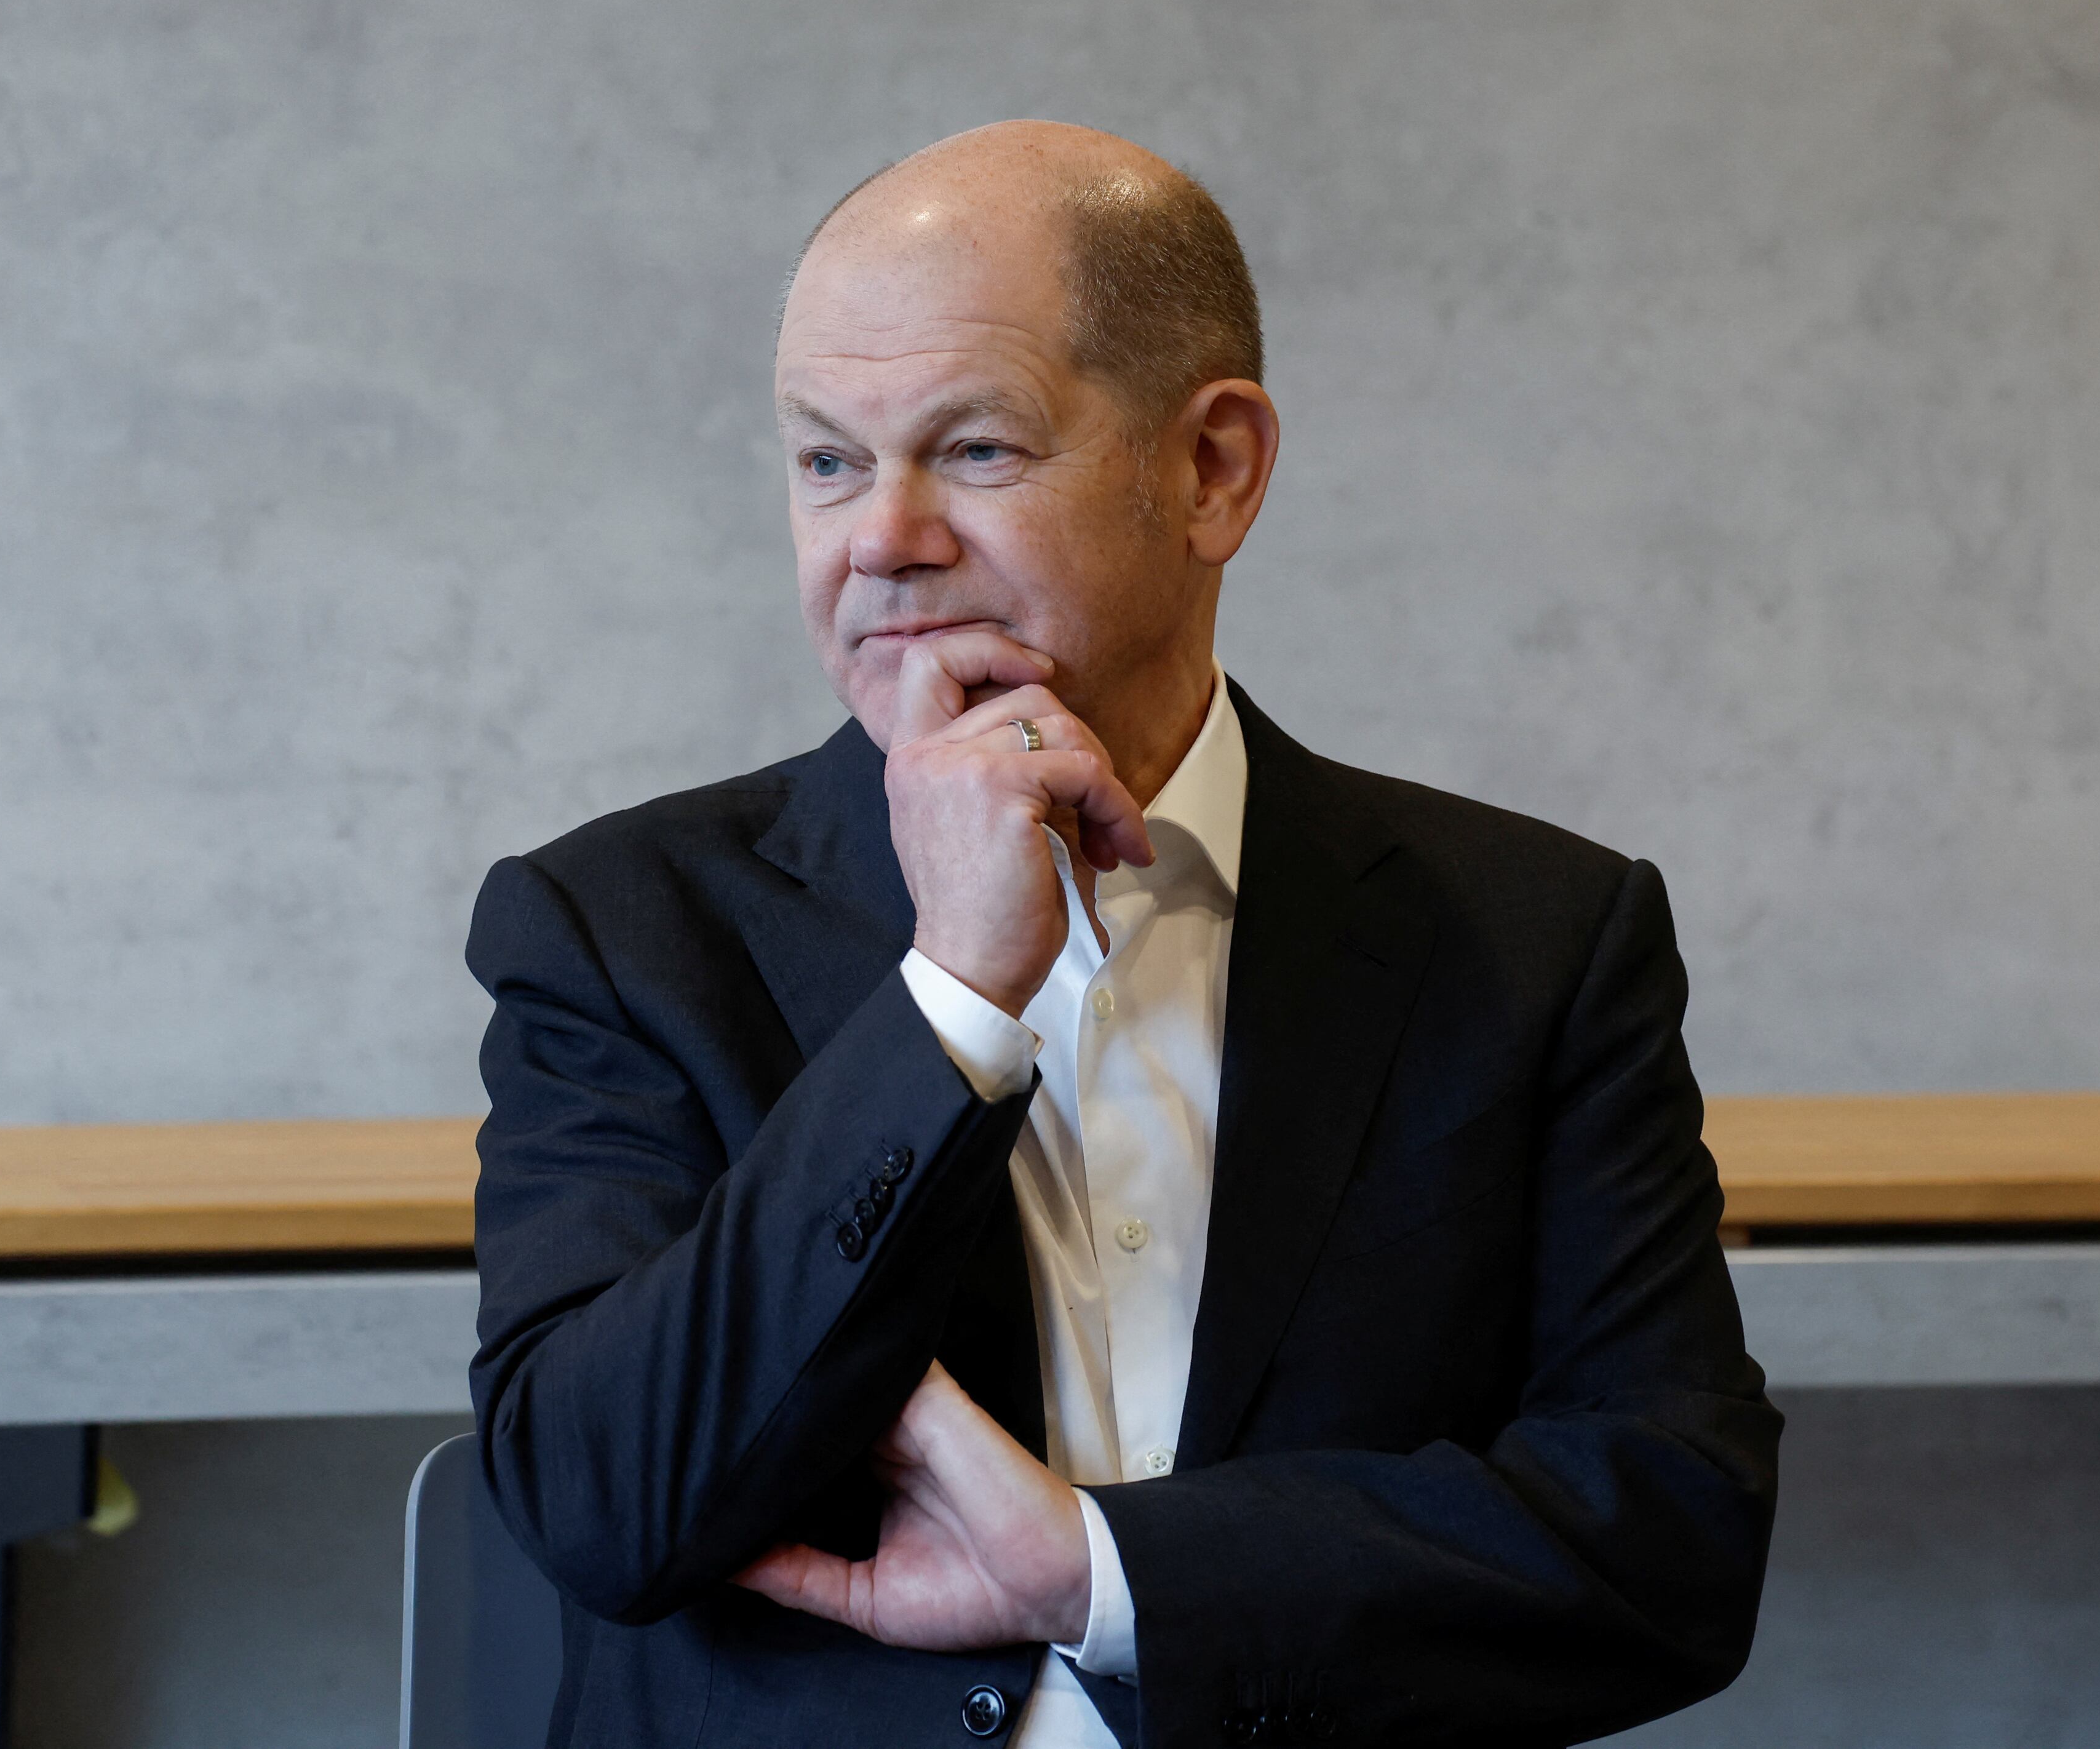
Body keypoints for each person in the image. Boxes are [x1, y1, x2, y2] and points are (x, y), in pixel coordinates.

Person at [467, 121, 1780, 1749]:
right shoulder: (615, 927)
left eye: (977, 451)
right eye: (825, 461)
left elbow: (1670, 1535)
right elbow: (605, 1508)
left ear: (1212, 471)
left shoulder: (1537, 939)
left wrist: (1095, 1573)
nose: (880, 538)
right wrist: (953, 995)